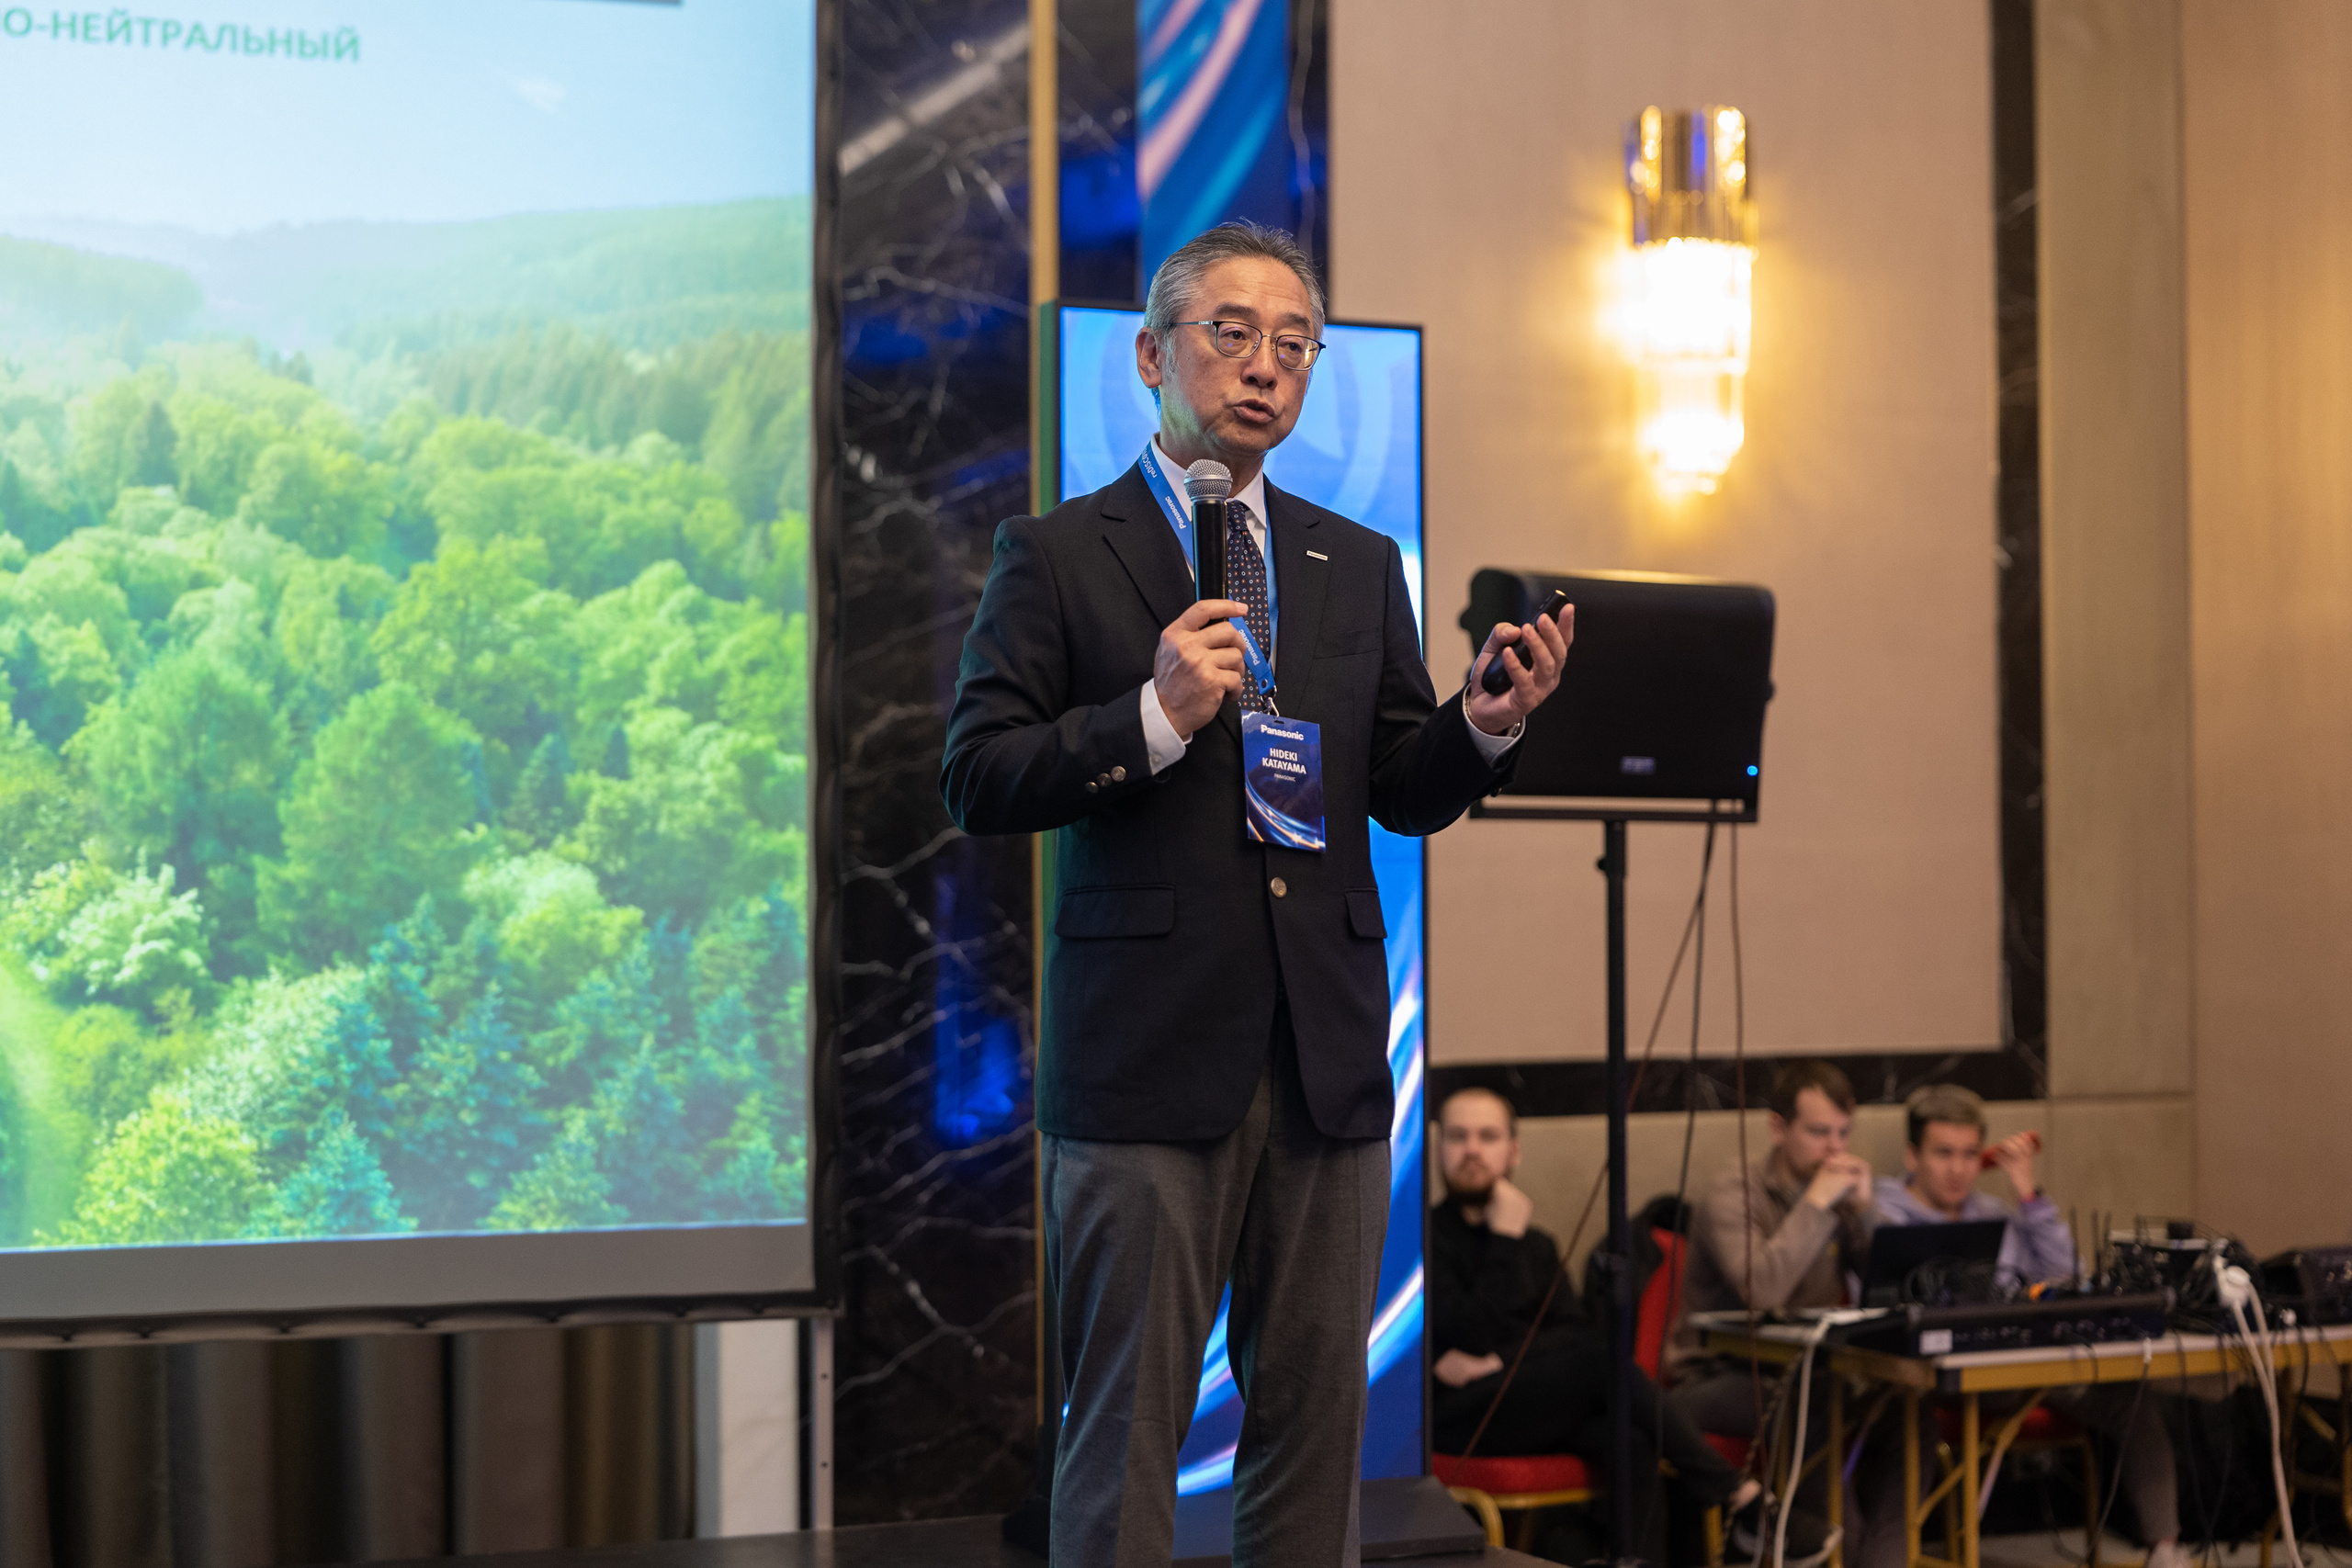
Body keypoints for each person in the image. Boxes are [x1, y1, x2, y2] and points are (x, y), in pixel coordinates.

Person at [941, 220, 1571, 1568]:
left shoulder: (1354, 558)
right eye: (1232, 333)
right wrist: (1152, 716)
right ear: (1152, 353)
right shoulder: (1055, 553)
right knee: (1123, 1439)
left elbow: (1401, 780)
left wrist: (1485, 721)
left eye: (1296, 345)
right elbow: (979, 774)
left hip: (1326, 1053)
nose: (1266, 368)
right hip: (1147, 1060)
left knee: (1316, 1428)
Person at [1430, 1087, 1764, 1566]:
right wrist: (1502, 1240)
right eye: (1458, 1137)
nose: (1473, 1151)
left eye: (1488, 1137)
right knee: (1594, 1363)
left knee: (1631, 1440)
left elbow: (1572, 1331)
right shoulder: (1424, 1240)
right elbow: (1470, 1331)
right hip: (1460, 1419)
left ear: (1513, 1151)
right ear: (1439, 1148)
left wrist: (1503, 1358)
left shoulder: (1537, 1245)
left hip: (1530, 1405)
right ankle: (1733, 1490)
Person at [1874, 1086, 2190, 1568]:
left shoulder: (1994, 1215)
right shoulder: (1883, 1212)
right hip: (1927, 1376)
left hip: (2019, 1367)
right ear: (1912, 1155)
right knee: (1903, 1427)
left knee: (2134, 1397)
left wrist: (2027, 1194)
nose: (1958, 1169)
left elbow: (2068, 1278)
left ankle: (2165, 1549)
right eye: (1943, 1154)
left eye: (1968, 1155)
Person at [1668, 1059, 1908, 1568]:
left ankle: (1883, 1559)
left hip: (1814, 1366)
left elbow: (1896, 1285)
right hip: (1718, 1376)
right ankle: (1837, 1551)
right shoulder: (1733, 1192)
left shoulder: (1837, 1193)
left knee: (1909, 1407)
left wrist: (1867, 1212)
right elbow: (1763, 1289)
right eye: (1820, 1132)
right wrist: (1818, 1205)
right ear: (1779, 1128)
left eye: (1844, 1133)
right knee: (1815, 1407)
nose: (1836, 1149)